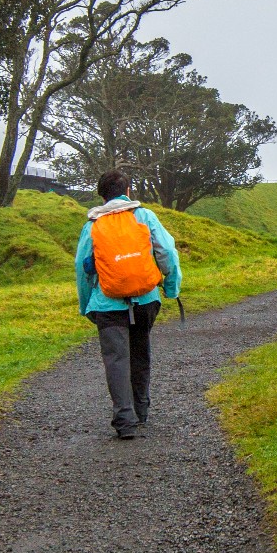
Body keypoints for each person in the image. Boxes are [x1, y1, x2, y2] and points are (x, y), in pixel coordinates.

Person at [74, 170, 183, 437]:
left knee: (116, 359)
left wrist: (87, 304)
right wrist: (171, 287)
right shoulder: (144, 216)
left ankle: (125, 422)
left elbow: (82, 266)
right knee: (140, 351)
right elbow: (167, 251)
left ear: (102, 195)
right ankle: (141, 410)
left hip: (107, 304)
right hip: (146, 299)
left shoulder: (93, 225)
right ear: (128, 191)